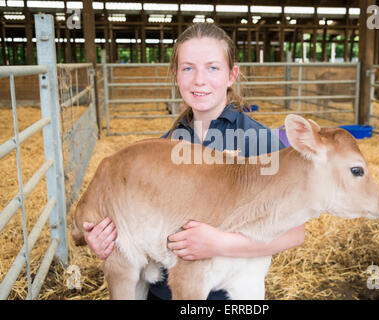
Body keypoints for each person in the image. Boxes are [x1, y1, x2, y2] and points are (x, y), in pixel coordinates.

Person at [83, 23, 306, 300]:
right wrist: (101, 237)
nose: (199, 79)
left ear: (231, 75)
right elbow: (132, 217)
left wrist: (218, 243)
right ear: (176, 75)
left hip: (226, 295)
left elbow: (295, 233)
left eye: (212, 68)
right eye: (188, 68)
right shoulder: (163, 146)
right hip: (161, 291)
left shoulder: (262, 143)